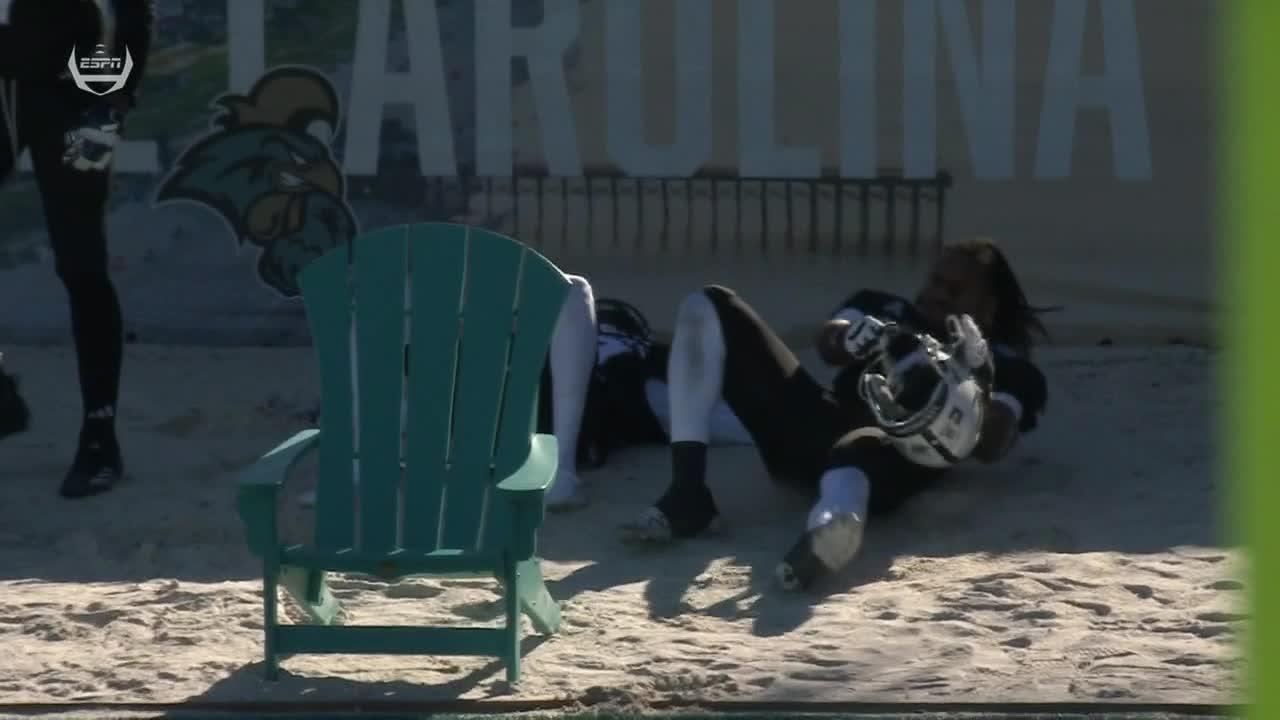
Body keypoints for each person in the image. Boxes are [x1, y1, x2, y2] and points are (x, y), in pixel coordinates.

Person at [619, 237, 1051, 591]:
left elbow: (995, 442)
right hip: (816, 426)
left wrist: (977, 384)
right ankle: (688, 490)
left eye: (954, 290)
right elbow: (829, 342)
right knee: (708, 304)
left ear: (988, 308)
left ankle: (828, 535)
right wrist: (853, 341)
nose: (938, 293)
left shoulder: (1007, 366)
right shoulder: (886, 308)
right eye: (935, 280)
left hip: (890, 456)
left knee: (862, 449)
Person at [0, 0, 155, 497]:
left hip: (71, 93)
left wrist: (113, 100)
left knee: (81, 262)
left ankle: (99, 435)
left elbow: (128, 9)